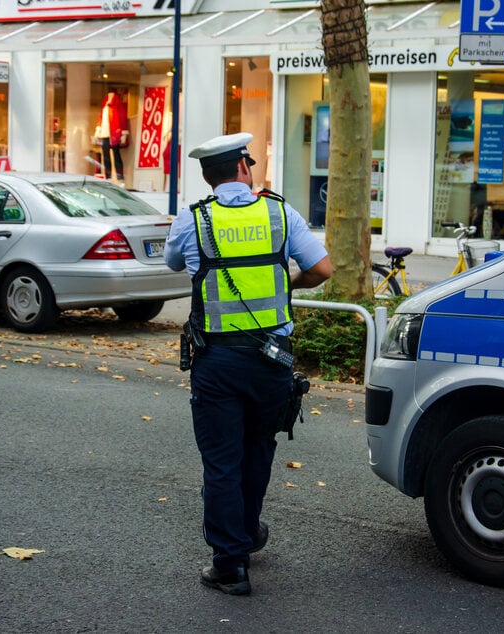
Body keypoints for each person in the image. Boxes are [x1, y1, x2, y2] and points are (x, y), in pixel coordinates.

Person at [164, 132, 332, 596]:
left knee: (221, 461)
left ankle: (230, 564)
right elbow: (322, 269)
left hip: (217, 360)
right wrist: (286, 287)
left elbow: (173, 263)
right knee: (258, 450)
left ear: (206, 176)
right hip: (271, 360)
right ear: (244, 167)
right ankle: (248, 530)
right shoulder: (280, 213)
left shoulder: (194, 219)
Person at [96, 91, 128, 184]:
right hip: (105, 133)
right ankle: (108, 176)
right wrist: (98, 129)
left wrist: (124, 133)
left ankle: (120, 176)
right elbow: (101, 118)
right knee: (106, 156)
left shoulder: (117, 105)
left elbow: (122, 120)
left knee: (116, 155)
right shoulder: (105, 105)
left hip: (114, 134)